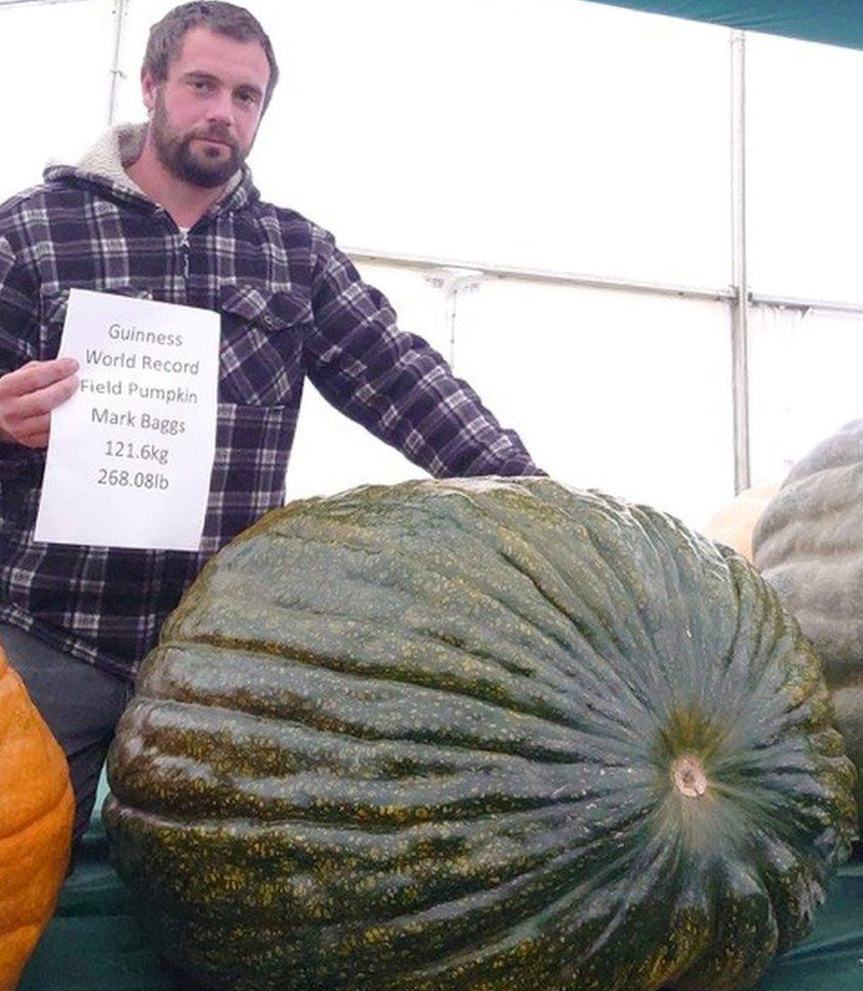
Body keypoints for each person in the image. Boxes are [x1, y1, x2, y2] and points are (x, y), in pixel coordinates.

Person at [0, 1, 543, 847]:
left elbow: (400, 378)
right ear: (151, 86)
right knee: (16, 869)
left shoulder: (294, 254)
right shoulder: (32, 232)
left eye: (246, 96)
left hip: (222, 653)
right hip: (51, 636)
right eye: (202, 85)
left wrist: (530, 495)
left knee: (230, 901)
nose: (224, 110)